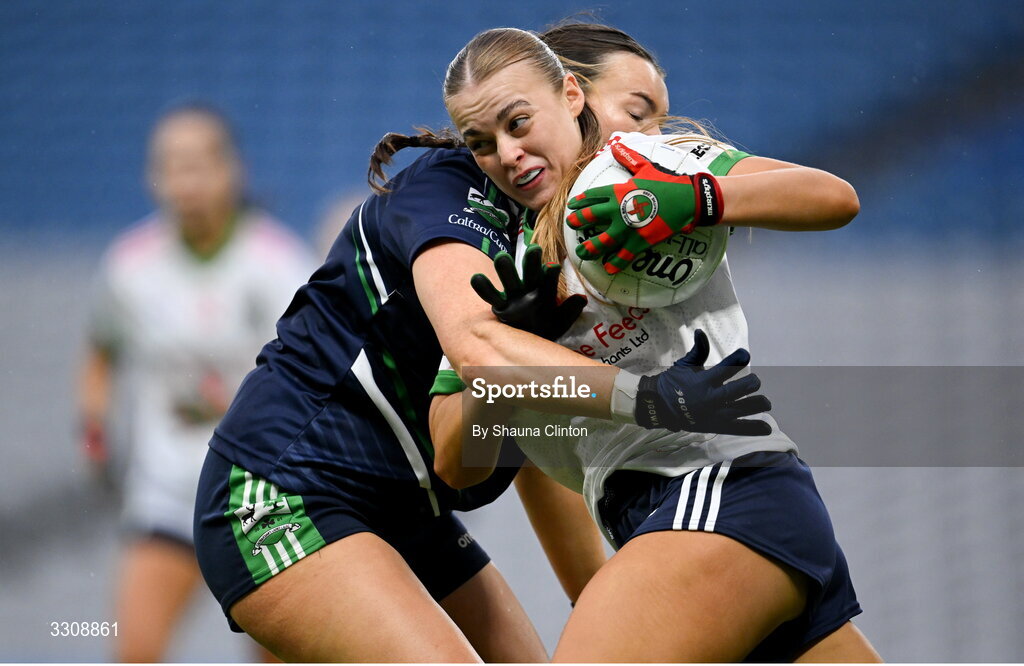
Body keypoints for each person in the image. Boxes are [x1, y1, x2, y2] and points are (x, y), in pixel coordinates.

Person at [191, 22, 768, 663]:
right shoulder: (449, 198)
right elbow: (481, 356)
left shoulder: (560, 232)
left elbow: (513, 439)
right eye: (634, 112)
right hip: (283, 490)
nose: (646, 138)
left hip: (404, 507)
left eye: (657, 118)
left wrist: (604, 612)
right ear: (571, 94)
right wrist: (649, 398)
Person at [430, 27, 882, 662]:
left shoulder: (638, 168)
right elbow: (458, 460)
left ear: (570, 98)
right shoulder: (502, 267)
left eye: (518, 124)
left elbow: (833, 197)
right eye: (482, 142)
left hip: (716, 489)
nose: (505, 153)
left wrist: (697, 197)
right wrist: (511, 359)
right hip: (679, 518)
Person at [78, 103, 315, 662]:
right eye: (170, 165)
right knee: (134, 649)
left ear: (233, 169)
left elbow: (317, 374)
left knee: (282, 655)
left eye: (198, 164)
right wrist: (92, 425)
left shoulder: (280, 264)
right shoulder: (129, 267)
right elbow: (99, 351)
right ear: (151, 177)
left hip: (263, 501)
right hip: (166, 498)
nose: (185, 181)